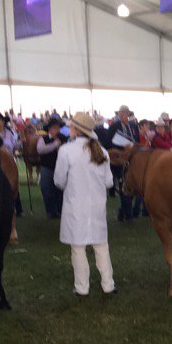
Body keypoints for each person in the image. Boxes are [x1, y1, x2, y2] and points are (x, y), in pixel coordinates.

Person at [53, 112, 116, 296]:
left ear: (75, 129)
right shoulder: (102, 152)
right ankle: (108, 285)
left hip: (76, 206)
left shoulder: (66, 151)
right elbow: (109, 182)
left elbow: (59, 180)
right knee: (101, 246)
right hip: (96, 207)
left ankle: (82, 287)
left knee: (78, 249)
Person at [106, 104, 141, 222]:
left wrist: (133, 146)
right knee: (123, 186)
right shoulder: (114, 126)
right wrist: (121, 146)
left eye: (124, 113)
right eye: (120, 113)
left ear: (128, 115)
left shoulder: (133, 126)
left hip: (132, 159)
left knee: (130, 186)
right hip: (119, 159)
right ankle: (128, 214)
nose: (122, 115)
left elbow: (137, 141)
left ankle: (123, 211)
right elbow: (108, 142)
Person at [37, 116, 67, 218]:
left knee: (60, 190)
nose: (57, 130)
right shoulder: (43, 138)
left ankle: (60, 210)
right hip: (46, 168)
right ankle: (50, 211)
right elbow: (40, 150)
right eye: (54, 128)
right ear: (49, 129)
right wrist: (54, 145)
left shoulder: (63, 138)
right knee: (46, 190)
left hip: (60, 168)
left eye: (58, 128)